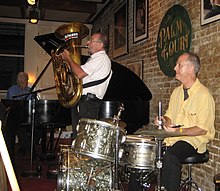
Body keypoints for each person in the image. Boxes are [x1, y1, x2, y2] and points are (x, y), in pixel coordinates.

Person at [154, 52, 215, 191]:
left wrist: (179, 131)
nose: (175, 68)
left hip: (194, 140)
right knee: (146, 150)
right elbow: (170, 116)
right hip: (174, 138)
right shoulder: (176, 92)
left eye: (179, 65)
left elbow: (202, 129)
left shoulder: (204, 95)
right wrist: (164, 120)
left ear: (191, 68)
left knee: (170, 156)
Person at [61, 32, 112, 139]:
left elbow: (79, 73)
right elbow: (78, 72)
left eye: (91, 40)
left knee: (83, 137)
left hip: (88, 103)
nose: (87, 42)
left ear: (100, 44)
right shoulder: (94, 59)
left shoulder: (101, 58)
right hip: (85, 101)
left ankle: (80, 156)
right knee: (78, 136)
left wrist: (69, 59)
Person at [5, 72, 33, 159]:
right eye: (20, 80)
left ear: (27, 81)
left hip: (27, 116)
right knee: (19, 130)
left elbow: (30, 104)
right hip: (14, 117)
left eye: (24, 80)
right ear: (17, 81)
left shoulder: (30, 90)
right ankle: (24, 148)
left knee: (38, 129)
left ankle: (28, 148)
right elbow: (16, 104)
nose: (22, 82)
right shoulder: (12, 90)